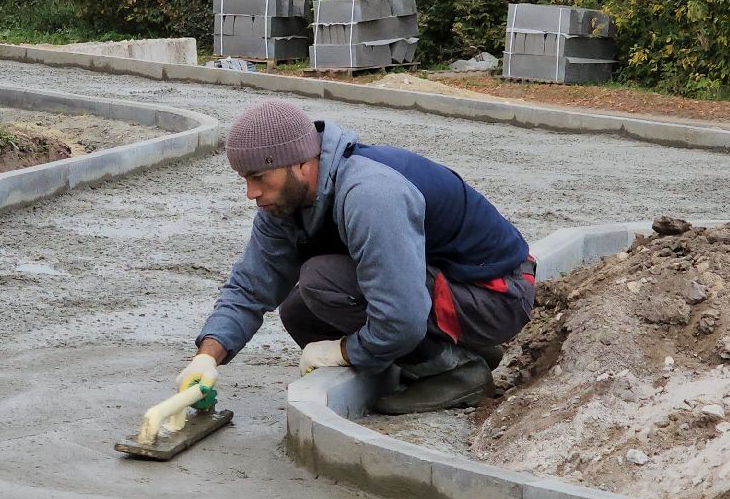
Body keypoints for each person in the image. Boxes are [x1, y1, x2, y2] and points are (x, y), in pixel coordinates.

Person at [179, 98, 535, 414]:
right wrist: (207, 356)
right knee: (299, 310)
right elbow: (251, 287)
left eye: (259, 177)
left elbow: (402, 317)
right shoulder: (283, 205)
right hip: (452, 289)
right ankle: (461, 351)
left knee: (322, 280)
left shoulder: (371, 193)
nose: (250, 193)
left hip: (497, 295)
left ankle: (456, 371)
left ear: (302, 163)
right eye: (244, 179)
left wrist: (346, 352)